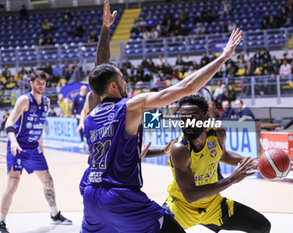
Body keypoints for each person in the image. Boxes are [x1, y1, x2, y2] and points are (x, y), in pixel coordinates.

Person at [79, 1, 243, 231]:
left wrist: (105, 30)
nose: (126, 82)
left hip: (90, 196)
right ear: (114, 86)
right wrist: (223, 57)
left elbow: (100, 72)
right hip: (121, 198)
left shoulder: (92, 113)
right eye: (122, 79)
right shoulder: (129, 107)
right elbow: (186, 88)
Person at [154, 95, 270, 232]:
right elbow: (190, 196)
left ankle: (209, 221)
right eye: (182, 118)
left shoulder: (217, 133)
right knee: (153, 229)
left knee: (262, 226)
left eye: (193, 118)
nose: (186, 123)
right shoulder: (180, 149)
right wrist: (231, 179)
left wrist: (253, 163)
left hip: (213, 205)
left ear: (204, 118)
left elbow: (224, 155)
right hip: (181, 208)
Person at [0, 71, 72, 233]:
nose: (41, 86)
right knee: (12, 184)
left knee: (48, 180)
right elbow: (9, 122)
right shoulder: (24, 100)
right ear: (31, 83)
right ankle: (1, 221)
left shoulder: (46, 102)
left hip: (34, 148)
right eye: (38, 82)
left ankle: (55, 215)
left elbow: (39, 128)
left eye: (43, 83)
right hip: (17, 146)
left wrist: (42, 149)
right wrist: (12, 141)